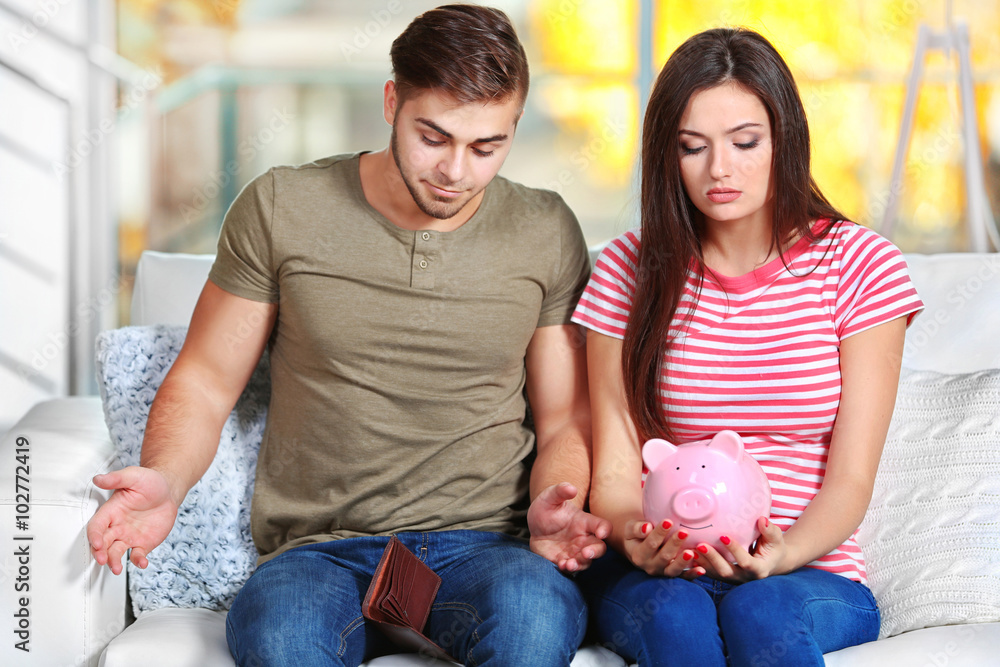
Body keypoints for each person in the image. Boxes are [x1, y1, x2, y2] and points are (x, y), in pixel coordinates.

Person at [87, 5, 610, 666]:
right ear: (392, 101)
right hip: (321, 550)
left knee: (534, 623)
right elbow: (206, 379)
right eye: (434, 136)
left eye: (487, 147)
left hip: (482, 548)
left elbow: (566, 417)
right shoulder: (282, 206)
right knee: (279, 639)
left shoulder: (545, 229)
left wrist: (550, 502)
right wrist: (165, 477)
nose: (456, 170)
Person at [572, 27, 923, 666]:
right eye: (692, 147)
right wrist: (638, 539)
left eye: (744, 141)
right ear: (666, 155)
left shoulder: (860, 264)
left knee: (759, 610)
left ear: (784, 138)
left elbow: (849, 479)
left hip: (808, 572)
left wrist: (782, 554)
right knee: (676, 617)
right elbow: (617, 472)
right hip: (666, 573)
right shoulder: (628, 268)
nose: (720, 169)